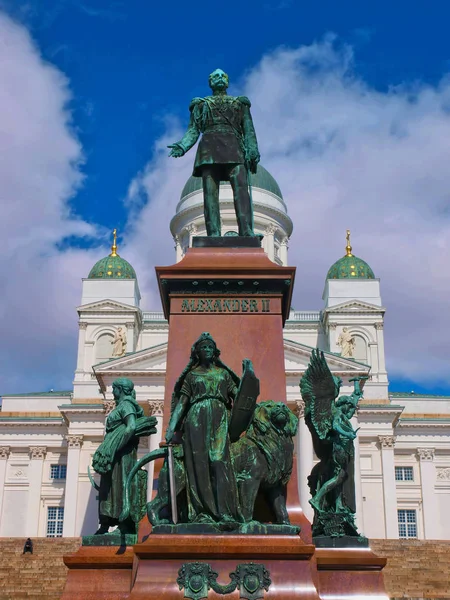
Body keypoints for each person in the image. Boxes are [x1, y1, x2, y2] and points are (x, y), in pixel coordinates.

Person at [168, 69, 260, 237]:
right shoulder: (201, 105)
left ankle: (246, 231)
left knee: (241, 190)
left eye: (222, 76)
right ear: (210, 82)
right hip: (209, 148)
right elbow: (193, 131)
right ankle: (213, 234)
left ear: (227, 81)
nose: (219, 78)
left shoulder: (239, 103)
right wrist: (182, 146)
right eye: (215, 76)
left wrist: (252, 149)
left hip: (234, 147)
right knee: (210, 193)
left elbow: (248, 129)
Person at [165, 332, 243, 524]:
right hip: (196, 419)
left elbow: (239, 395)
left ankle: (225, 511)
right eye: (203, 347)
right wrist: (171, 427)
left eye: (210, 347)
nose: (207, 350)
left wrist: (247, 378)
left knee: (218, 461)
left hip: (219, 417)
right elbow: (182, 403)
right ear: (197, 353)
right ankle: (204, 512)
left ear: (215, 352)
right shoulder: (192, 376)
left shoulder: (223, 374)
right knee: (198, 466)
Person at [92, 377, 156, 535]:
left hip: (123, 455)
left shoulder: (127, 405)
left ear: (120, 389)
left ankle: (125, 525)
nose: (112, 392)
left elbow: (131, 426)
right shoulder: (121, 406)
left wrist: (115, 446)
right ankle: (106, 524)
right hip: (115, 455)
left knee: (121, 486)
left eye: (114, 389)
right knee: (108, 488)